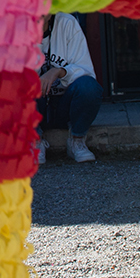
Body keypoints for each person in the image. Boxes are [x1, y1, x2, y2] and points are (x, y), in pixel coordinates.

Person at [37, 12, 103, 164]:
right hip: (35, 106)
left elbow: (86, 71)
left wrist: (59, 71)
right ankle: (34, 141)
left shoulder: (67, 22)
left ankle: (77, 140)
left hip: (65, 104)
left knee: (89, 87)